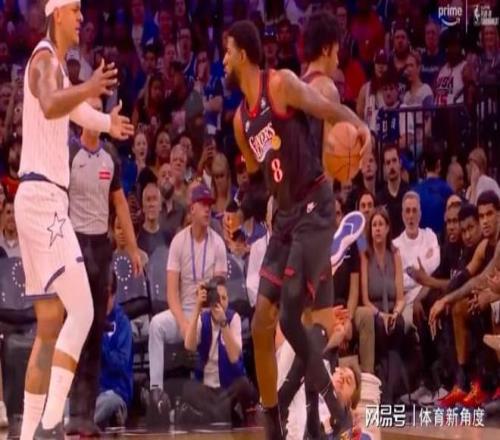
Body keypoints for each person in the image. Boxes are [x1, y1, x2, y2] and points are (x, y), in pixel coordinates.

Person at [224, 18, 370, 439]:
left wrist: (360, 127)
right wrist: (240, 212)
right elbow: (257, 181)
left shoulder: (281, 84)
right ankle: (272, 418)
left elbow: (327, 109)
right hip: (286, 218)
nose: (224, 60)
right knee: (260, 324)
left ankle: (335, 412)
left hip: (315, 207)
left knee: (290, 313)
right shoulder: (240, 122)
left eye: (228, 52)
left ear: (244, 54)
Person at [14, 1, 133, 439]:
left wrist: (106, 122)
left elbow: (72, 110)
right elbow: (51, 104)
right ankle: (49, 427)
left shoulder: (56, 66)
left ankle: (28, 435)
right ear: (58, 13)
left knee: (49, 327)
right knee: (83, 311)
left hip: (35, 199)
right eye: (77, 10)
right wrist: (89, 87)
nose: (82, 18)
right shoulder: (45, 61)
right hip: (45, 199)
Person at [65, 97, 140, 436]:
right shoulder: (69, 153)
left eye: (99, 109)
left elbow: (120, 203)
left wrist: (133, 248)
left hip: (101, 247)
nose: (95, 115)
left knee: (96, 331)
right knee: (74, 330)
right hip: (73, 245)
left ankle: (86, 415)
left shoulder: (110, 156)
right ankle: (70, 410)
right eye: (90, 109)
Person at [147, 183, 227, 412]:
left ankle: (210, 392)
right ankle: (156, 390)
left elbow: (221, 292)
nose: (207, 209)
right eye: (203, 205)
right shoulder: (178, 242)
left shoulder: (218, 243)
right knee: (156, 325)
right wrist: (183, 322)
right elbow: (171, 292)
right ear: (192, 209)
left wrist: (205, 302)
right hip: (183, 311)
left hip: (207, 312)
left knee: (209, 325)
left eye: (210, 205)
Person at [183, 276, 258, 425]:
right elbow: (189, 345)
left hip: (229, 387)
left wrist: (223, 324)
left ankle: (211, 416)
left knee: (244, 385)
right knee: (187, 389)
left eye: (224, 298)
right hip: (207, 388)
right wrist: (197, 308)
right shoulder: (203, 318)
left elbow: (234, 357)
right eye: (217, 298)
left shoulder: (233, 318)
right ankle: (223, 414)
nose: (221, 302)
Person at [94, 269, 133, 428]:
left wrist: (100, 344)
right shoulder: (89, 319)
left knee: (109, 402)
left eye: (107, 295)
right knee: (65, 403)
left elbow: (121, 364)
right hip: (90, 394)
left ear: (114, 295)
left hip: (116, 391)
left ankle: (84, 422)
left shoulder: (123, 323)